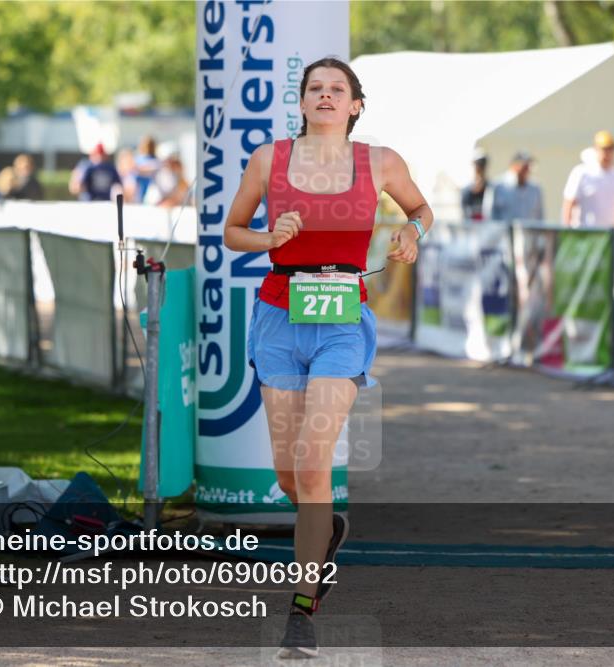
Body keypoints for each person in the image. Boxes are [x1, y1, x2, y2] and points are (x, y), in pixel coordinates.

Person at [223, 56, 432, 659]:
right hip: (279, 316)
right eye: (315, 88)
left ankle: (302, 605)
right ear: (303, 100)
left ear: (355, 105)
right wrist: (270, 238)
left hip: (342, 317)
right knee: (289, 475)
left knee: (315, 464)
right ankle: (328, 527)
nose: (325, 96)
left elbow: (421, 210)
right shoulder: (270, 160)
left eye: (337, 89)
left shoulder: (380, 161)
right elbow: (233, 230)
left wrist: (411, 233)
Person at [562, 131, 614, 229]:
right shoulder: (582, 172)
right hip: (587, 233)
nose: (608, 154)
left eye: (611, 150)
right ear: (596, 149)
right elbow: (569, 202)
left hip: (609, 234)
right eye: (605, 149)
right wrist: (567, 230)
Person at [489, 150, 543, 222]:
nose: (527, 169)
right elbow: (489, 214)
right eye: (524, 166)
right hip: (503, 231)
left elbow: (540, 216)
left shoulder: (535, 188)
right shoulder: (497, 186)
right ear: (514, 166)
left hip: (527, 232)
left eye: (528, 166)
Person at [460, 147, 490, 221]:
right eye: (478, 164)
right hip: (471, 229)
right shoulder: (466, 190)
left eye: (483, 164)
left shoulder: (491, 188)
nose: (480, 167)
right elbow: (464, 213)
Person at [134, 135, 161, 202]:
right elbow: (136, 169)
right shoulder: (139, 158)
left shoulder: (156, 159)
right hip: (139, 189)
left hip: (152, 191)